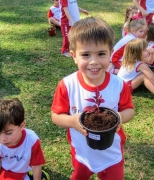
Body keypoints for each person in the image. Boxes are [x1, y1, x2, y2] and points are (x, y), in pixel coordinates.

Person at [51, 17, 134, 180]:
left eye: (101, 54)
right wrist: (72, 121)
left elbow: (129, 110)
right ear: (74, 56)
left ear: (111, 53)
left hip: (112, 153)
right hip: (82, 153)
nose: (94, 61)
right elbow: (56, 116)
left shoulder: (119, 85)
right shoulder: (67, 85)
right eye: (86, 54)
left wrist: (119, 117)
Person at [0, 98, 46, 180]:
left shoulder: (32, 141)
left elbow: (36, 165)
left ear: (21, 126)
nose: (3, 139)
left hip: (16, 171)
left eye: (8, 133)